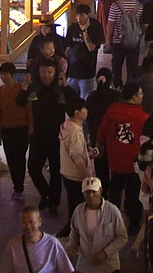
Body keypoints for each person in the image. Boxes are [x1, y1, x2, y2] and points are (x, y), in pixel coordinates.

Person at [17, 59, 78, 215]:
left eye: (50, 72)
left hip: (57, 135)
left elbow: (76, 100)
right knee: (33, 168)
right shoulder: (34, 86)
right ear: (39, 72)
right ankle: (46, 194)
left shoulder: (60, 87)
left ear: (55, 72)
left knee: (56, 171)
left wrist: (65, 85)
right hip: (38, 134)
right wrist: (25, 85)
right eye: (44, 72)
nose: (47, 75)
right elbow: (19, 101)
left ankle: (53, 202)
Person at [97, 80, 149, 234]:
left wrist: (99, 145)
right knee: (134, 193)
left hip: (115, 159)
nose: (142, 96)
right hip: (134, 161)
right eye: (140, 94)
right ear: (134, 97)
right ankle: (133, 224)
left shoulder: (112, 110)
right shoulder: (142, 115)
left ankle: (113, 221)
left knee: (115, 190)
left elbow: (102, 132)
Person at [66, 177, 128, 273]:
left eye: (94, 191)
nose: (91, 195)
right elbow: (74, 232)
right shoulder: (78, 211)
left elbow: (122, 237)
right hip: (85, 265)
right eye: (87, 192)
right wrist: (71, 246)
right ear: (83, 193)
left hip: (108, 266)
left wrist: (106, 253)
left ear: (101, 190)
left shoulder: (112, 211)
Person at [0, 63, 31, 200]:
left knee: (20, 158)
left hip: (21, 128)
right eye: (1, 74)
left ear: (12, 75)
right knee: (10, 158)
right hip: (6, 129)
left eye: (6, 74)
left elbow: (28, 110)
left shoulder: (21, 88)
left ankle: (19, 187)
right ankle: (17, 185)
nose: (3, 77)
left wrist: (31, 127)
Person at [1, 206, 74, 273]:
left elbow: (67, 269)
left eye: (31, 222)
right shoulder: (13, 246)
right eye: (24, 223)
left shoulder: (52, 243)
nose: (28, 226)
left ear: (39, 222)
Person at [60, 98, 93, 231]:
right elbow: (77, 158)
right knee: (78, 208)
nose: (87, 111)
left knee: (73, 205)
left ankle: (70, 229)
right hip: (76, 175)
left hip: (67, 173)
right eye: (84, 109)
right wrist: (88, 177)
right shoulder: (75, 132)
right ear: (77, 112)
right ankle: (73, 232)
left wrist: (88, 154)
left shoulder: (66, 126)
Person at [106, 0, 144, 87]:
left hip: (118, 41)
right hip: (134, 41)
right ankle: (130, 89)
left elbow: (110, 24)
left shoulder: (115, 6)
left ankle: (117, 87)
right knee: (132, 67)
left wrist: (108, 40)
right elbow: (141, 25)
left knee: (116, 66)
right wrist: (138, 36)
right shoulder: (139, 6)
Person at [86, 69, 120, 187]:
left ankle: (103, 191)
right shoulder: (117, 96)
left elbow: (88, 118)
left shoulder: (91, 96)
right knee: (116, 168)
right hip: (114, 137)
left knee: (100, 168)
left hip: (97, 137)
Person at [66, 4, 104, 99]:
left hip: (87, 71)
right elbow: (67, 48)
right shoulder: (72, 28)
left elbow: (91, 48)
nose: (79, 18)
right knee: (71, 97)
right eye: (77, 15)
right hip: (73, 71)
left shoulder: (96, 27)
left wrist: (85, 32)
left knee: (85, 98)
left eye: (82, 15)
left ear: (88, 15)